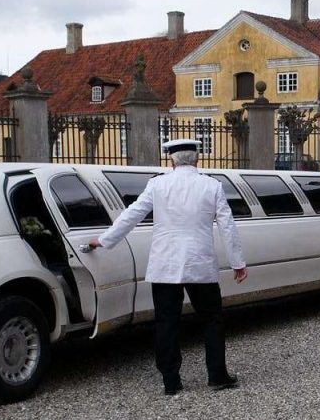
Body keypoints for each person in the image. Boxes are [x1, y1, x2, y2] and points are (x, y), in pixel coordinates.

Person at [88, 138, 247, 396]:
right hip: (200, 264)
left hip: (165, 264)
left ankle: (171, 381)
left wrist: (104, 240)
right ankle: (217, 375)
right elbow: (227, 226)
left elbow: (132, 214)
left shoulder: (157, 185)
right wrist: (238, 262)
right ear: (197, 158)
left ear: (170, 160)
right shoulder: (213, 186)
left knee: (166, 322)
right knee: (212, 320)